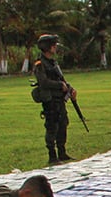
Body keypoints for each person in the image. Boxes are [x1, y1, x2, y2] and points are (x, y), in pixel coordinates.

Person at [32, 34, 76, 165]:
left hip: (59, 99)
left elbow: (61, 79)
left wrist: (70, 89)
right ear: (47, 47)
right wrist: (59, 86)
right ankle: (52, 156)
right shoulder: (40, 64)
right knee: (52, 127)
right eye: (53, 45)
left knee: (63, 124)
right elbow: (44, 82)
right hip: (50, 100)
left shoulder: (53, 62)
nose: (55, 47)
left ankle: (62, 152)